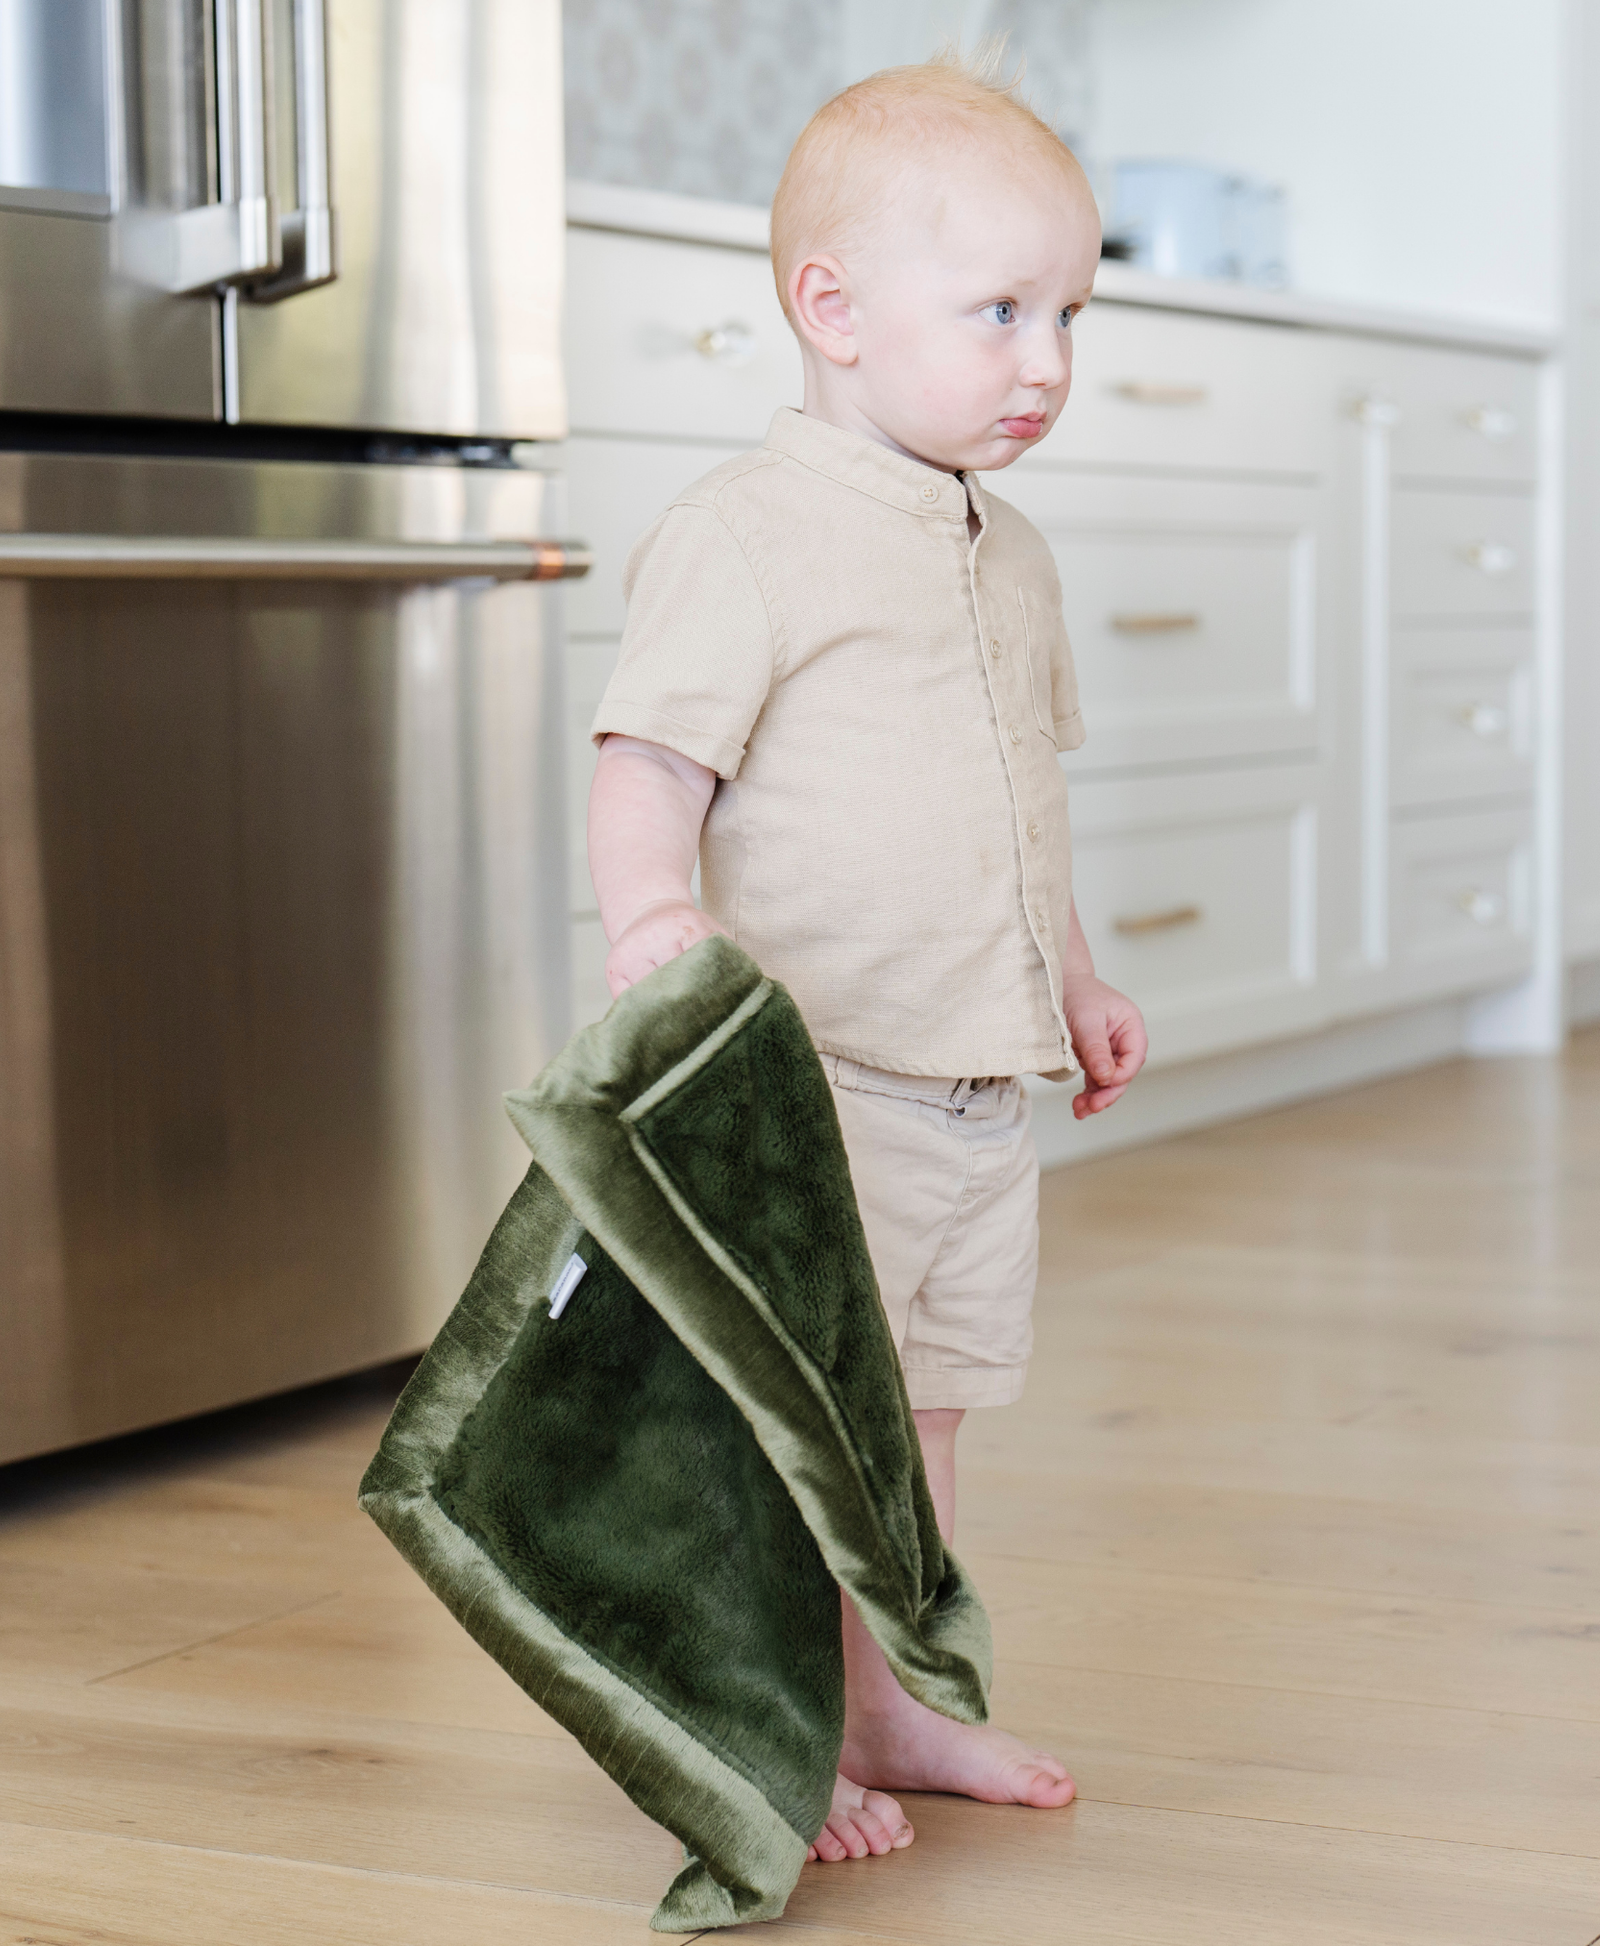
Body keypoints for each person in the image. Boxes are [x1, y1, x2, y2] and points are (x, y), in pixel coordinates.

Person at [583, 49, 1148, 1869]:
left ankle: (897, 1688)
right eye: (998, 310)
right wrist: (653, 926)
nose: (1046, 358)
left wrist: (1072, 972)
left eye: (1067, 309)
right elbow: (646, 762)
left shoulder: (1015, 553)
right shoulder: (744, 537)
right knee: (779, 1428)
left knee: (922, 1423)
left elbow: (1020, 804)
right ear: (830, 309)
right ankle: (771, 1717)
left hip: (980, 1097)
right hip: (817, 1095)